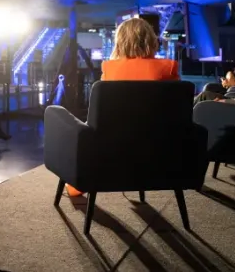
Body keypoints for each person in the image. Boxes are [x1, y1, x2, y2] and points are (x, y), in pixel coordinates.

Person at [67, 17, 179, 197]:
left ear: (120, 42)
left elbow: (102, 113)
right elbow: (174, 112)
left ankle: (81, 180)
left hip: (114, 148)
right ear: (150, 39)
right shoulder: (168, 68)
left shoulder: (109, 69)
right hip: (159, 149)